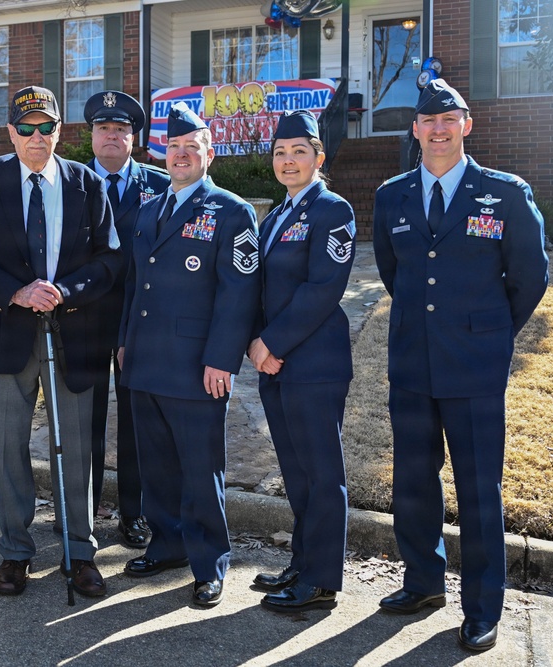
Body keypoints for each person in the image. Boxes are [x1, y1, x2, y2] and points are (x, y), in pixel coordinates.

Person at [372, 79, 548, 651]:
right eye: (429, 121)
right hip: (411, 364)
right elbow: (395, 274)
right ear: (416, 130)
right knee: (414, 482)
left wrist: (490, 333)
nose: (440, 130)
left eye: (450, 119)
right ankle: (423, 582)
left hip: (474, 366)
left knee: (477, 489)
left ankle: (481, 608)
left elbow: (529, 276)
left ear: (466, 125)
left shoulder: (505, 192)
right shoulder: (392, 195)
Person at [0, 86, 123, 599]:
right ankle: (15, 553)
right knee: (8, 448)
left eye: (45, 127)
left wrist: (63, 293)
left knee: (75, 448)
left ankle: (79, 551)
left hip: (74, 333)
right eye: (25, 128)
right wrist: (17, 292)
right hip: (9, 332)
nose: (36, 137)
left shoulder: (86, 183)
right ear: (10, 132)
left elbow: (110, 260)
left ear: (60, 132)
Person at [118, 102, 260, 607]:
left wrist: (222, 359)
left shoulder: (232, 210)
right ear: (163, 151)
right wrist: (123, 339)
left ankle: (209, 563)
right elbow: (134, 283)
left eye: (190, 147)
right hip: (146, 359)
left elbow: (239, 292)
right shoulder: (150, 207)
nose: (180, 155)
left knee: (201, 470)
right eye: (173, 147)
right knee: (157, 465)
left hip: (198, 366)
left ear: (209, 153)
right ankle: (169, 544)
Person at [246, 110, 356, 613]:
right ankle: (301, 562)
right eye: (280, 153)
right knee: (296, 471)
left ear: (319, 157)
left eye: (299, 152)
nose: (288, 161)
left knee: (320, 472)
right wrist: (256, 342)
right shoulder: (275, 217)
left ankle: (321, 579)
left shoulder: (333, 210)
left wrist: (272, 343)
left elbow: (322, 289)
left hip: (313, 364)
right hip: (278, 365)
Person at [83, 89, 169, 549]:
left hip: (141, 323)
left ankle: (135, 514)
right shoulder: (73, 182)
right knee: (87, 419)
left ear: (133, 138)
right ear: (91, 136)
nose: (111, 135)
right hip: (85, 321)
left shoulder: (159, 185)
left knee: (137, 423)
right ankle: (85, 514)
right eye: (103, 128)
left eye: (120, 129)